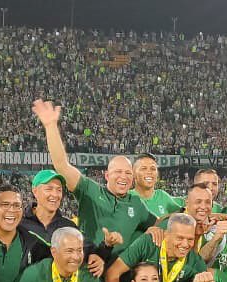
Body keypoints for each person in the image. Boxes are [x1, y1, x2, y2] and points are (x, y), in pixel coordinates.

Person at [34, 98, 157, 262]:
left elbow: (158, 223)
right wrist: (50, 127)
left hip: (120, 274)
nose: (123, 177)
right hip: (88, 268)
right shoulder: (89, 190)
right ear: (106, 175)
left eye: (128, 173)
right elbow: (62, 166)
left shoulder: (136, 203)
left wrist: (156, 230)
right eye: (118, 172)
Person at [105, 213, 208, 282]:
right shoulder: (148, 243)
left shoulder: (193, 259)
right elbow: (113, 271)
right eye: (180, 238)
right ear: (166, 234)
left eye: (190, 239)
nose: (185, 244)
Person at [22, 169, 81, 242]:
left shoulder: (69, 227)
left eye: (59, 190)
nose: (55, 194)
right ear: (35, 191)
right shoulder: (20, 225)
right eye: (49, 189)